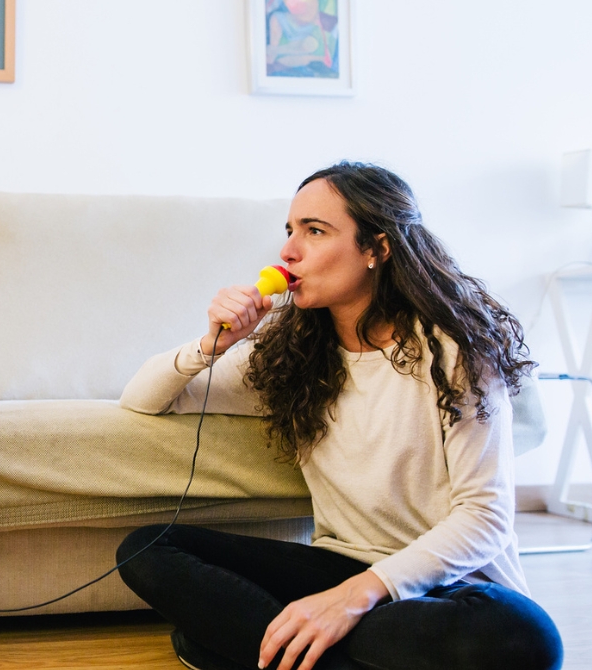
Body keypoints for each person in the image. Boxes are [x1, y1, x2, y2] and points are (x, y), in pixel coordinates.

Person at [115, 162, 563, 670]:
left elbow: (485, 518)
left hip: (450, 588)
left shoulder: (453, 352)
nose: (288, 250)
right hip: (340, 562)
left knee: (526, 640)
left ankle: (250, 649)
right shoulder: (288, 356)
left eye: (315, 231)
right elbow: (144, 397)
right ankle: (305, 650)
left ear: (377, 248)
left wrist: (353, 598)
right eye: (290, 230)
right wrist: (215, 342)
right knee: (147, 549)